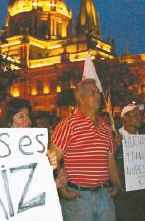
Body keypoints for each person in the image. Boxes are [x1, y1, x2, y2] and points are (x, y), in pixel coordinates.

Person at [51, 78, 121, 221]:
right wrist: (62, 190)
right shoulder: (67, 125)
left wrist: (117, 184)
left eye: (98, 93)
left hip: (104, 195)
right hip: (78, 197)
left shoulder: (105, 127)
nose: (98, 96)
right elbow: (53, 158)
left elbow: (110, 159)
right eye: (92, 93)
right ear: (80, 98)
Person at [114, 103, 145, 221]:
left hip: (143, 193)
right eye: (135, 115)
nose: (140, 117)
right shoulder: (115, 137)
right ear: (125, 118)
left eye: (140, 114)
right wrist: (114, 147)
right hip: (124, 195)